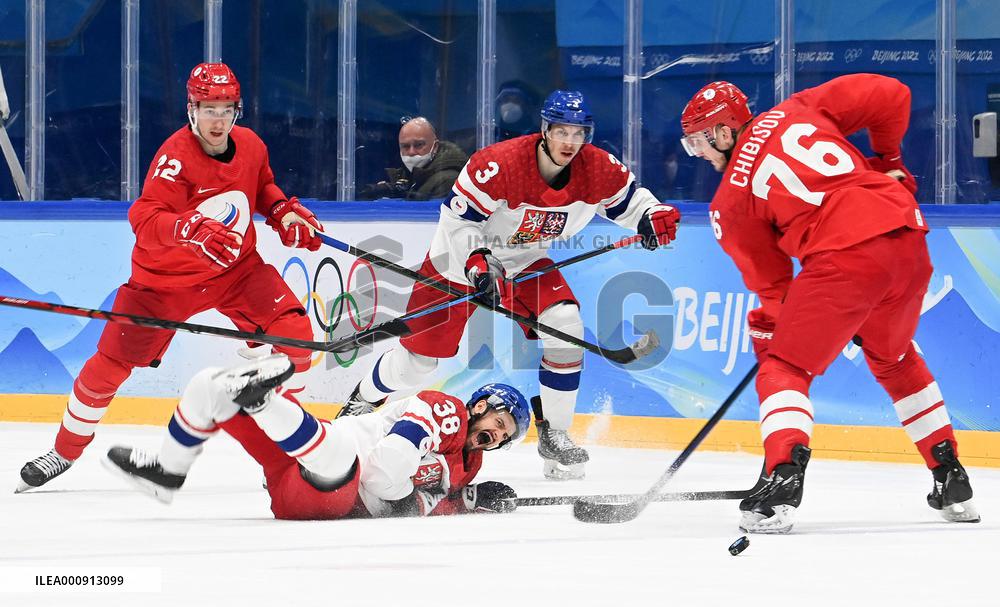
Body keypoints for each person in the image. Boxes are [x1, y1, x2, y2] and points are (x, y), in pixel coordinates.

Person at [679, 74, 979, 533]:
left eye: (700, 140)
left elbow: (774, 288)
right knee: (895, 357)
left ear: (724, 131)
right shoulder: (799, 107)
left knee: (784, 367)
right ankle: (950, 475)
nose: (698, 152)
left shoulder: (730, 202)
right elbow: (894, 95)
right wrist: (889, 159)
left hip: (846, 255)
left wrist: (770, 329)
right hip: (907, 237)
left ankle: (782, 478)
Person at [338, 90, 681, 481]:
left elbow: (633, 201)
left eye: (579, 133)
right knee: (418, 364)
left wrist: (653, 216)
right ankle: (362, 402)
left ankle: (555, 435)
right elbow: (460, 222)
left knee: (566, 325)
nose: (570, 142)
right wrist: (476, 261)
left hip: (525, 262)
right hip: (459, 262)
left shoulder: (598, 169)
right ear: (544, 129)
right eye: (561, 131)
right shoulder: (499, 164)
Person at [16, 62, 323, 493]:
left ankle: (293, 446)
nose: (218, 119)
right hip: (163, 283)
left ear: (238, 109)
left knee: (296, 333)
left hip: (236, 271)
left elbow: (263, 187)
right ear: (190, 109)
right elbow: (143, 217)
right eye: (208, 109)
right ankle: (64, 452)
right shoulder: (175, 159)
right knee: (108, 368)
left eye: (226, 109)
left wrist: (281, 212)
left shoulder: (251, 145)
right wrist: (187, 227)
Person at [102, 354, 527, 519]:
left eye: (505, 435)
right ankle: (168, 471)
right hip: (305, 469)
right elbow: (384, 477)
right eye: (500, 422)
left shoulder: (468, 467)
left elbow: (425, 503)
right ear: (479, 407)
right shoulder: (444, 411)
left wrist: (466, 500)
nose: (497, 435)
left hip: (321, 490)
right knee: (208, 382)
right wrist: (417, 491)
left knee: (338, 454)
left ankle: (262, 400)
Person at [361, 117, 468, 201]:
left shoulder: (448, 180)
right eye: (405, 146)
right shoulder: (409, 177)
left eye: (419, 145)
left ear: (435, 147)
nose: (411, 152)